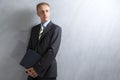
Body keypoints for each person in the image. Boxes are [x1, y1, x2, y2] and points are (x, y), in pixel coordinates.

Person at [22, 2, 62, 80]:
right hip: (32, 71)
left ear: (50, 12)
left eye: (47, 11)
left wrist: (37, 69)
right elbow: (30, 48)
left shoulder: (56, 29)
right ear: (38, 14)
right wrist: (28, 67)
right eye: (42, 11)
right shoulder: (34, 29)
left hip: (47, 72)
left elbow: (52, 52)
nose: (45, 13)